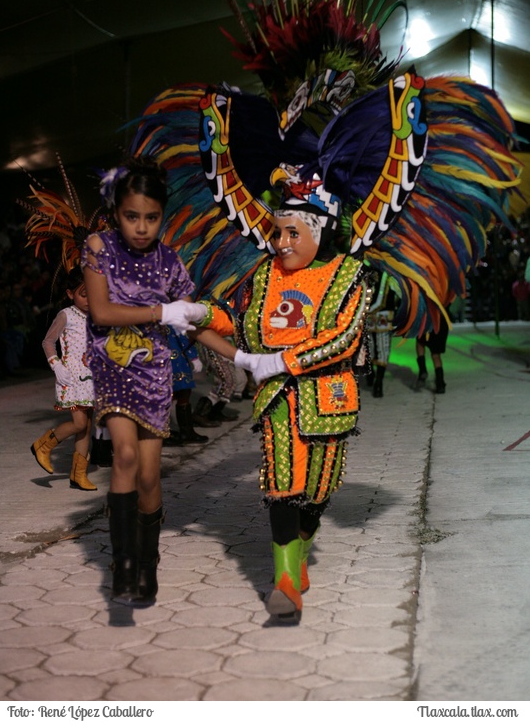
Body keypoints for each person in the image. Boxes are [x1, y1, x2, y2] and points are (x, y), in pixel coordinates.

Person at [179, 177, 372, 624]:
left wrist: (284, 361)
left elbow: (342, 339)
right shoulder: (264, 274)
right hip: (277, 399)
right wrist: (201, 312)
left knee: (319, 491)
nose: (281, 243)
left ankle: (301, 545)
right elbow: (243, 325)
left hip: (328, 398)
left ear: (321, 230)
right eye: (277, 233)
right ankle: (284, 581)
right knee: (282, 480)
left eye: (292, 234)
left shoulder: (350, 275)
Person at [81, 156, 208, 605]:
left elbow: (190, 310)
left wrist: (198, 315)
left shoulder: (169, 259)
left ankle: (148, 562)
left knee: (151, 480)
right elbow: (101, 313)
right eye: (132, 216)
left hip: (154, 374)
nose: (141, 227)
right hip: (112, 366)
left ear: (161, 217)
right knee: (126, 455)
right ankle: (123, 563)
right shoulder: (98, 248)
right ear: (116, 212)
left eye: (151, 218)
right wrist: (161, 312)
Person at [30, 266, 97, 490]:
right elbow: (47, 341)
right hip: (72, 377)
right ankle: (43, 445)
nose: (89, 300)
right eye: (83, 294)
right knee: (79, 423)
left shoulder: (98, 315)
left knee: (87, 427)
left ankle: (79, 475)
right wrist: (55, 364)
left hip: (92, 377)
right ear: (70, 294)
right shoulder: (66, 315)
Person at [365, 270, 398, 398]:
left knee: (373, 349)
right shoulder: (389, 275)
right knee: (381, 351)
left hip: (370, 318)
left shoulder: (368, 273)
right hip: (382, 318)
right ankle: (378, 383)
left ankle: (374, 379)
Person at [415, 314, 449, 393]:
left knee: (420, 343)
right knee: (436, 355)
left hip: (427, 321)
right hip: (441, 322)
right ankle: (440, 384)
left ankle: (423, 369)